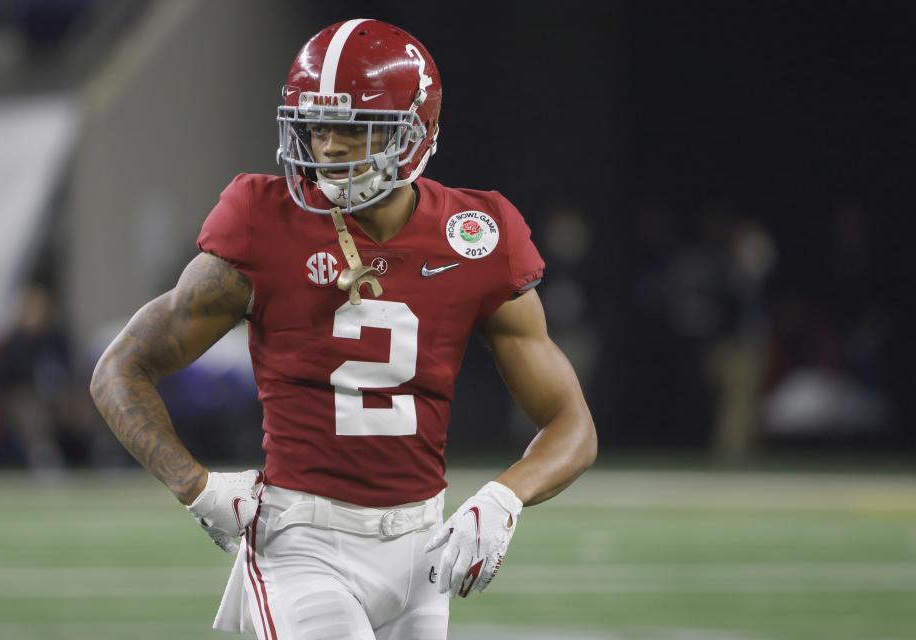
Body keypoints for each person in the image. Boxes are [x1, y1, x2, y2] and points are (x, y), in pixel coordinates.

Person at [90, 19, 597, 640]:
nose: (328, 146)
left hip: (423, 547)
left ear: (413, 131)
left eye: (353, 127)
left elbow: (572, 422)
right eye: (316, 125)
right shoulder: (262, 222)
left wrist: (504, 500)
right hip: (301, 541)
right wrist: (196, 488)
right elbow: (120, 367)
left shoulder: (476, 236)